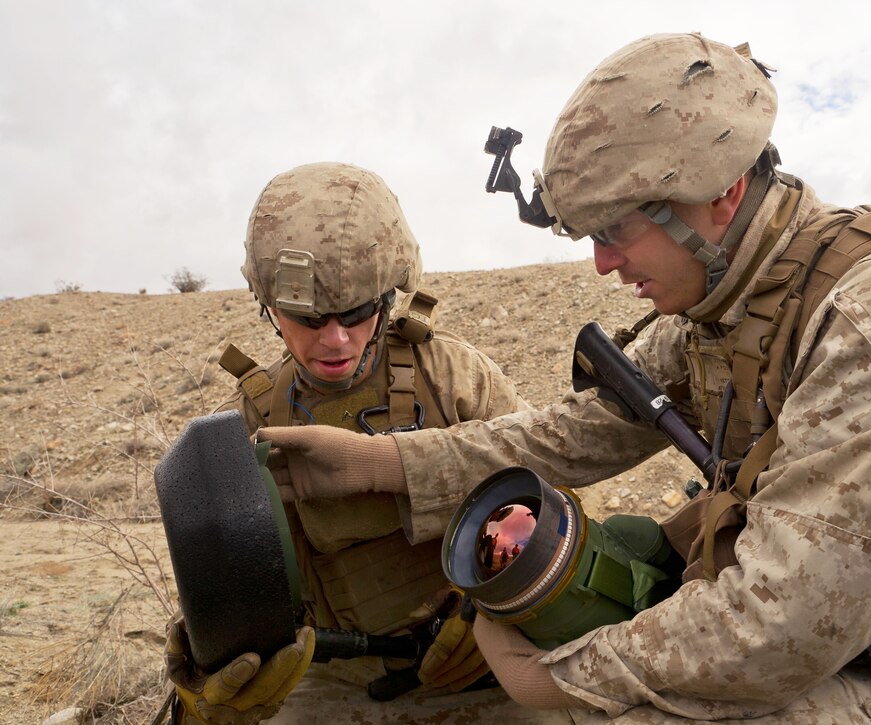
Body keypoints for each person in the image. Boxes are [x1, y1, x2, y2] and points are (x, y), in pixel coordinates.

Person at [256, 35, 871, 722]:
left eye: (617, 230)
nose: (603, 262)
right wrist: (382, 464)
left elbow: (788, 618)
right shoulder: (725, 302)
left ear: (721, 193)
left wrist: (563, 680)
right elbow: (578, 429)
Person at [162, 162, 571, 724]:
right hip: (333, 681)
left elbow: (560, 505)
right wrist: (209, 662)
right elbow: (235, 586)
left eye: (356, 313)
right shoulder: (247, 423)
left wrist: (500, 619)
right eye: (309, 318)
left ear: (387, 297)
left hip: (487, 664)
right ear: (270, 308)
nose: (336, 339)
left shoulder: (452, 376)